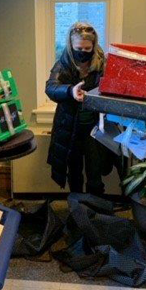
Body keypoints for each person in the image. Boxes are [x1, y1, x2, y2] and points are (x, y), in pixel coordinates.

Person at [46, 22, 108, 195]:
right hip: (70, 128)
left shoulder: (102, 64)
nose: (83, 52)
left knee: (95, 173)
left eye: (87, 48)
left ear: (94, 46)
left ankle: (95, 213)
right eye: (78, 48)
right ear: (71, 45)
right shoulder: (64, 63)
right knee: (74, 173)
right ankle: (77, 213)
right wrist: (69, 91)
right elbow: (50, 87)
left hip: (94, 128)